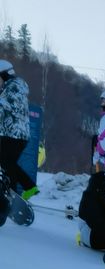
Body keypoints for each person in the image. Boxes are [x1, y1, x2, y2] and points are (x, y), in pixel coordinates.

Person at [0, 59, 38, 200]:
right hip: (14, 134)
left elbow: (4, 107)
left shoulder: (13, 88)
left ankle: (23, 189)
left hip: (13, 135)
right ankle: (16, 190)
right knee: (7, 163)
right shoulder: (13, 87)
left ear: (4, 75)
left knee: (6, 162)